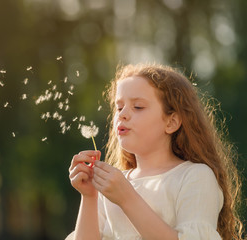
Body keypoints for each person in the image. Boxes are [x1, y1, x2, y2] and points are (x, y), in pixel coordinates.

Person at [66, 63, 244, 240]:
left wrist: (127, 198)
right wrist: (89, 196)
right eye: (119, 107)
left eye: (138, 107)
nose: (122, 114)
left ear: (171, 122)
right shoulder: (112, 186)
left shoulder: (195, 176)